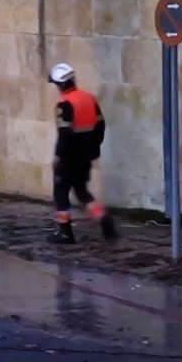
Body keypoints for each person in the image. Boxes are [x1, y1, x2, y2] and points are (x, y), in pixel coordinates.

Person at [47, 62, 118, 244]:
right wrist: (94, 147)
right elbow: (101, 125)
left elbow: (64, 134)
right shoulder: (89, 98)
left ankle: (65, 232)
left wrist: (58, 156)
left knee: (61, 192)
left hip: (68, 158)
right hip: (85, 156)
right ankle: (102, 216)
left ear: (60, 84)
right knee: (81, 191)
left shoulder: (64, 105)